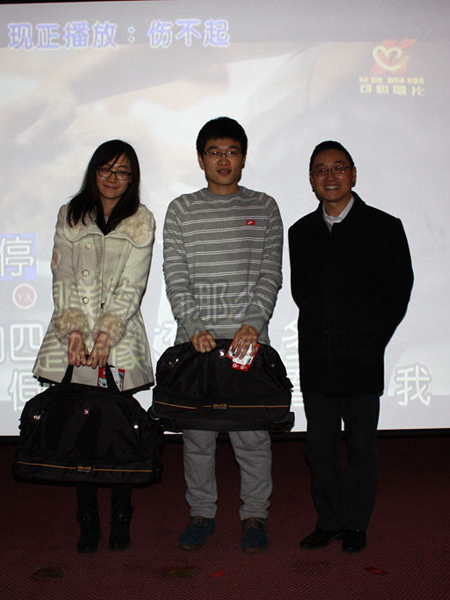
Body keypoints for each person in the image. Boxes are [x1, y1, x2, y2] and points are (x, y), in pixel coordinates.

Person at [163, 117, 283, 553]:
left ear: (244, 157)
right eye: (214, 152)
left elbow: (271, 272)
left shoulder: (264, 206)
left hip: (247, 341)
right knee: (197, 439)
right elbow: (175, 274)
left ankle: (255, 516)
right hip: (195, 342)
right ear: (201, 159)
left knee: (252, 438)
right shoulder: (181, 209)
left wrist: (253, 323)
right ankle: (201, 513)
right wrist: (195, 326)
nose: (223, 160)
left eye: (232, 151)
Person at [288, 141, 413, 553]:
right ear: (311, 179)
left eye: (338, 167)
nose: (330, 176)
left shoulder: (384, 227)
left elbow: (398, 291)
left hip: (362, 358)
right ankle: (329, 521)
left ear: (353, 174)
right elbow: (302, 294)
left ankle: (356, 523)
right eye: (321, 169)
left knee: (362, 447)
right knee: (319, 449)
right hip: (318, 357)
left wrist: (371, 340)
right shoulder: (300, 232)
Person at [33, 139, 156, 554]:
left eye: (122, 172)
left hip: (119, 339)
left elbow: (132, 285)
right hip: (72, 339)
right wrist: (74, 331)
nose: (112, 178)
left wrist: (105, 335)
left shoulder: (141, 220)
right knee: (79, 431)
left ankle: (122, 515)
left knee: (117, 431)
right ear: (93, 171)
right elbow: (62, 276)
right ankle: (87, 519)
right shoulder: (70, 215)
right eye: (106, 169)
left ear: (132, 178)